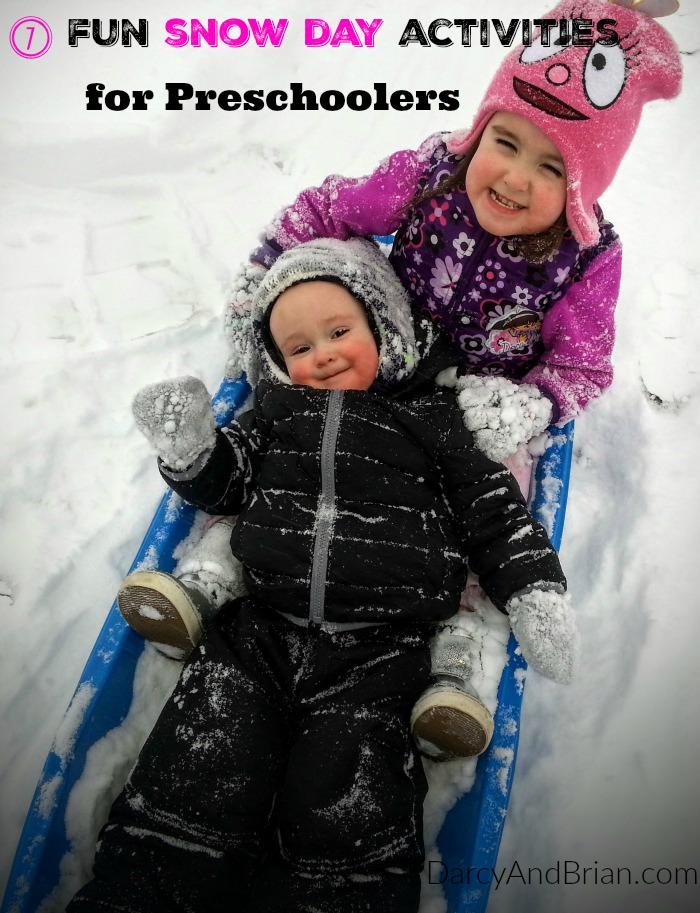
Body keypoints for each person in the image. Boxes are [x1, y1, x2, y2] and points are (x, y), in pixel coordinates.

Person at [118, 0, 683, 760]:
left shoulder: (588, 260)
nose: (514, 177)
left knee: (490, 487)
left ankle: (459, 640)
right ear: (480, 125)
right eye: (504, 141)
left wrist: (530, 403)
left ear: (584, 185)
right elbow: (325, 207)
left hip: (474, 398)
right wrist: (263, 274)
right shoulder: (428, 176)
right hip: (384, 346)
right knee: (296, 437)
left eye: (552, 167)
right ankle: (224, 562)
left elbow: (584, 364)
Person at [70, 238, 577, 913]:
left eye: (340, 331)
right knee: (195, 770)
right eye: (299, 347)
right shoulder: (278, 415)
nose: (324, 353)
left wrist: (533, 588)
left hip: (380, 649)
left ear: (384, 328)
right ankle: (141, 894)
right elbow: (229, 485)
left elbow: (493, 512)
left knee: (348, 807)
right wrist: (195, 450)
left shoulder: (434, 421)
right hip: (258, 631)